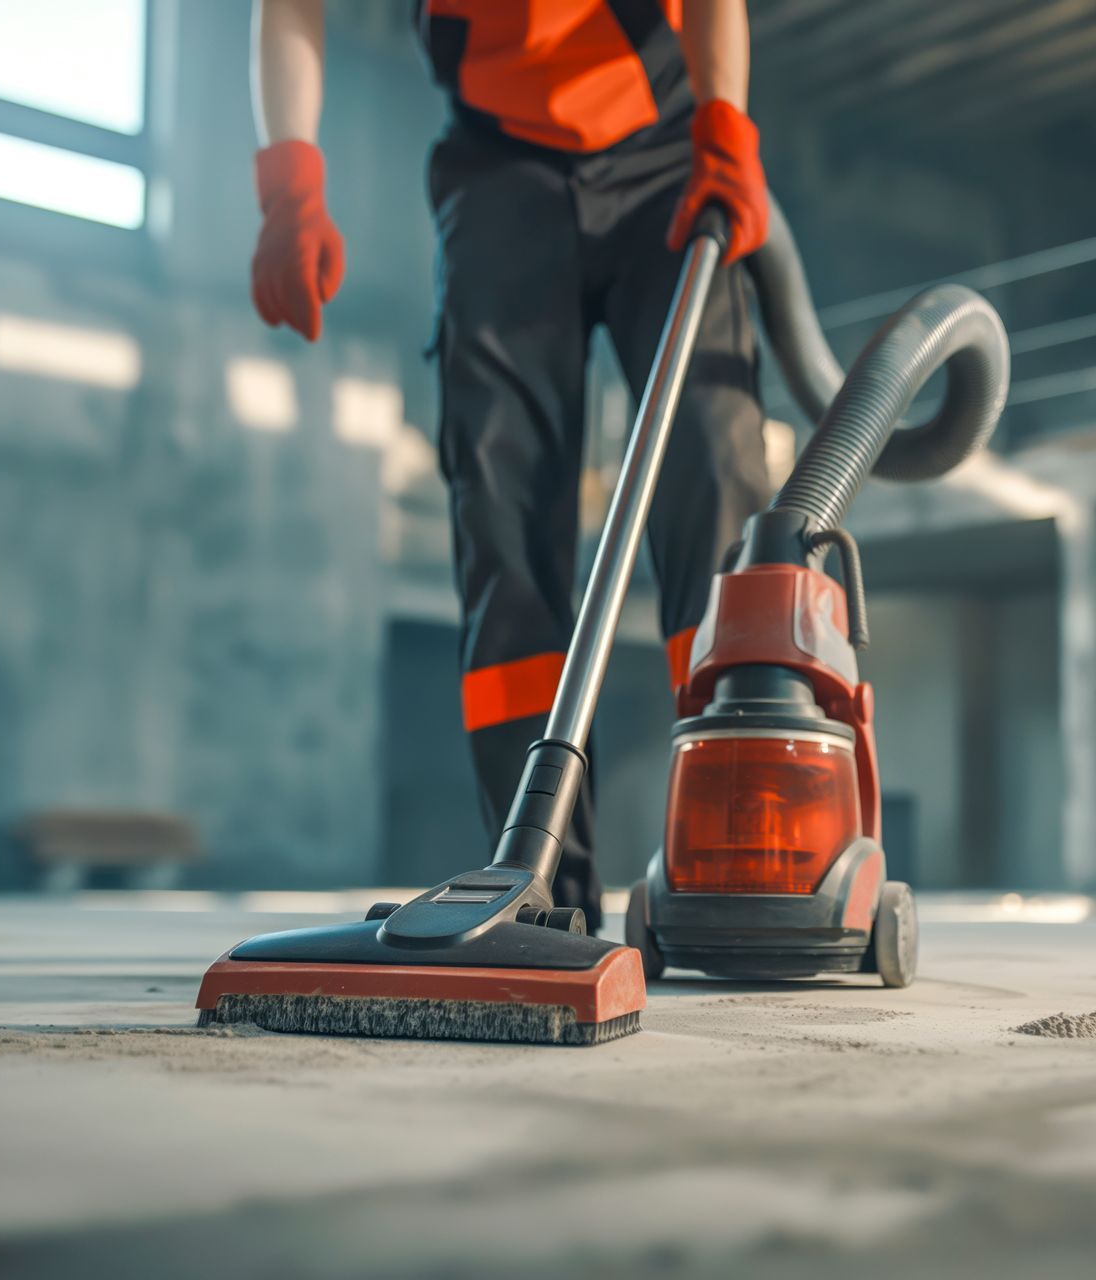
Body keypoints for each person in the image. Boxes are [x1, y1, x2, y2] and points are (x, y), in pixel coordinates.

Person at [249, 0, 772, 929]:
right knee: (502, 512)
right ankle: (541, 895)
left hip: (665, 144)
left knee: (713, 465)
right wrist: (289, 180)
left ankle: (742, 849)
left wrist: (723, 123)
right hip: (497, 167)